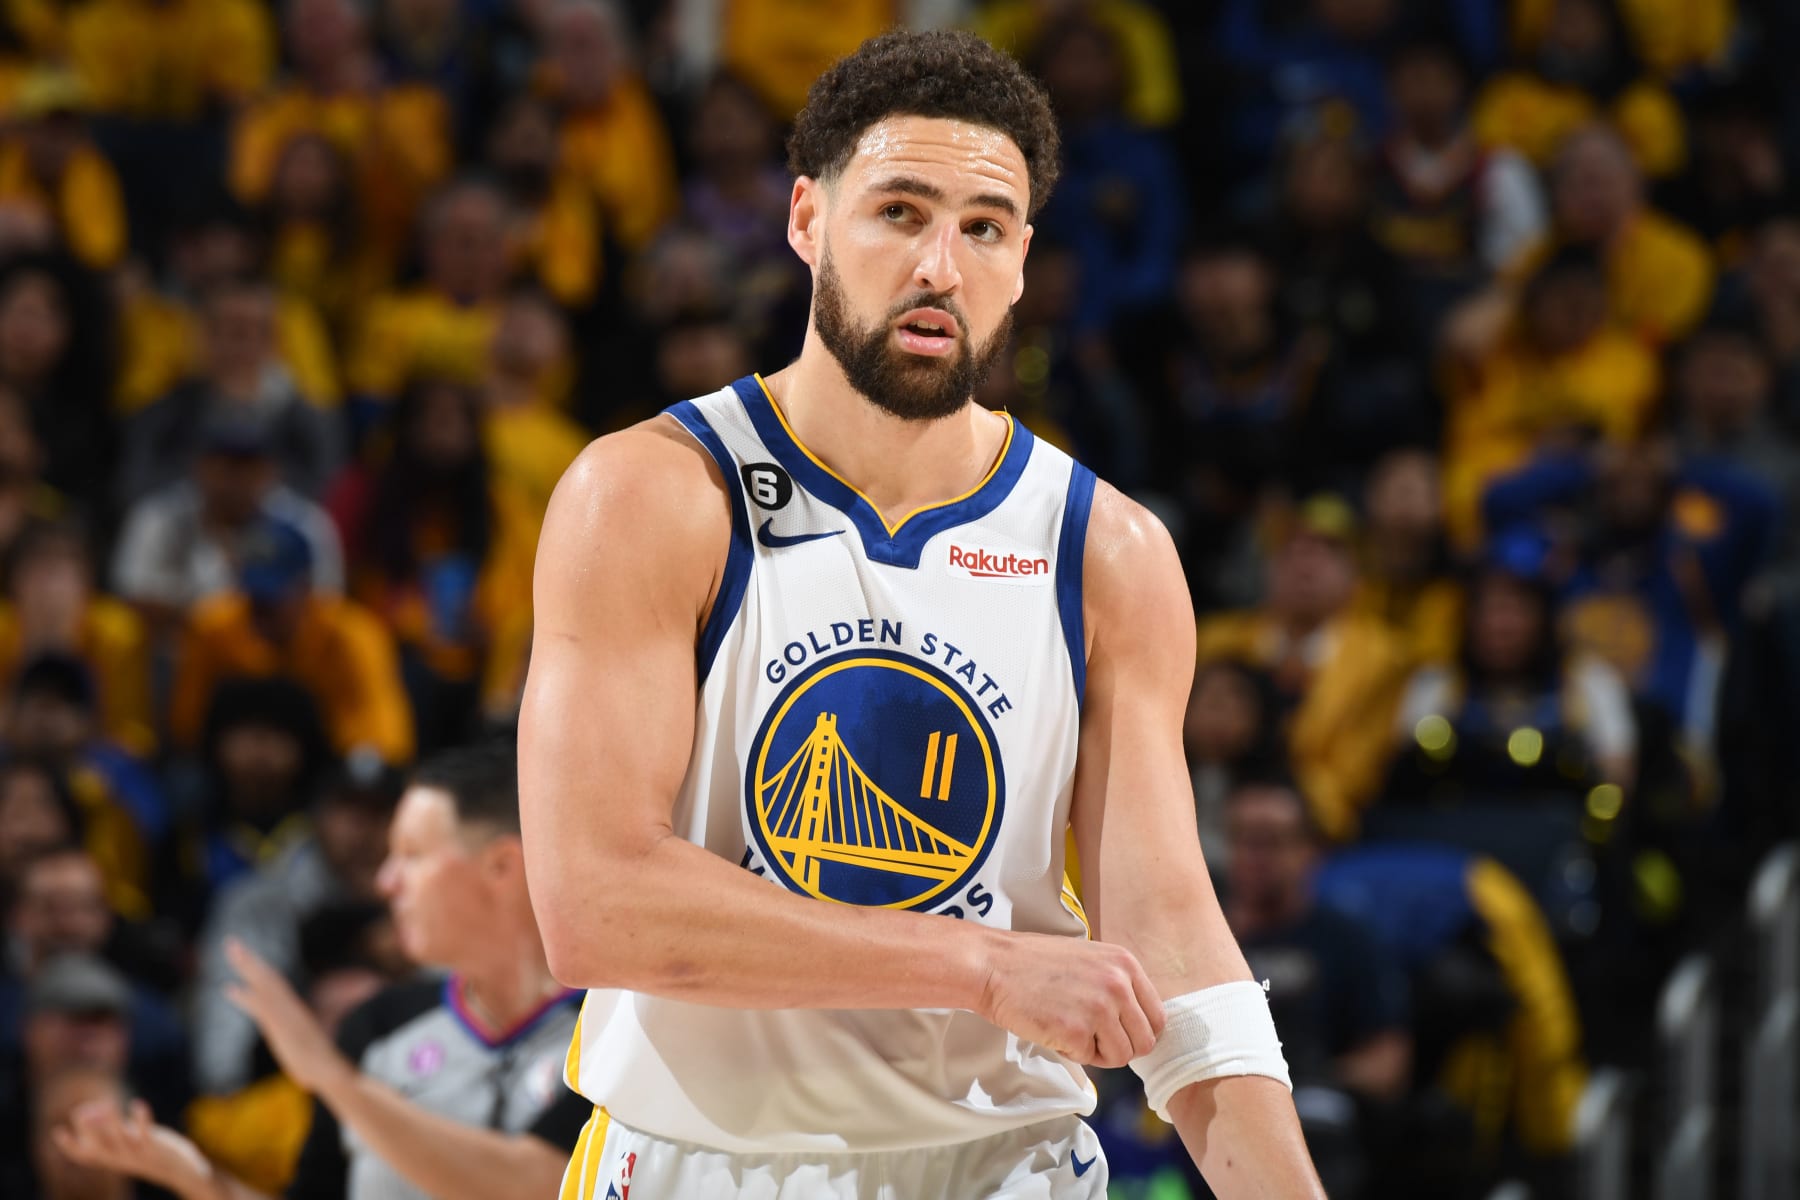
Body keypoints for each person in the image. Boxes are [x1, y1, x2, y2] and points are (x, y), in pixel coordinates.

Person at [520, 30, 1320, 1197]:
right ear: (807, 219)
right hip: (707, 1164)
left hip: (1010, 1164)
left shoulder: (1109, 552)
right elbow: (596, 904)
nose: (942, 264)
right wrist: (984, 967)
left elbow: (1173, 946)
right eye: (900, 212)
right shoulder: (651, 496)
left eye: (984, 227)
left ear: (1023, 258)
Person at [57, 741, 591, 1200]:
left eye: (411, 854)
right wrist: (198, 1180)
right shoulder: (378, 1026)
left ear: (500, 866)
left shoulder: (605, 1034)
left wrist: (334, 1080)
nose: (387, 881)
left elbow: (542, 1184)